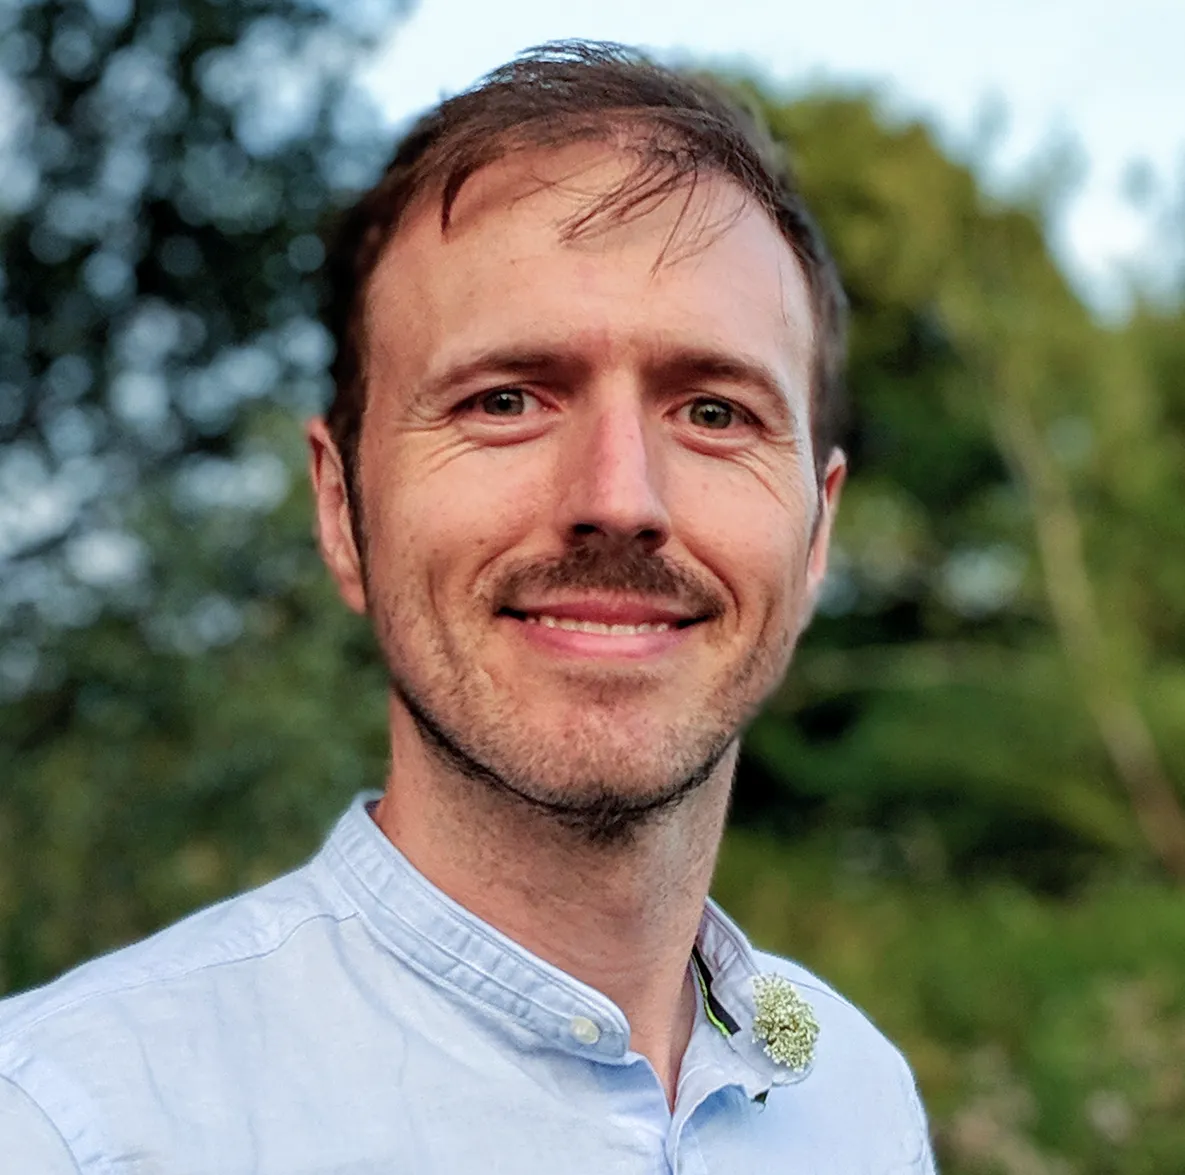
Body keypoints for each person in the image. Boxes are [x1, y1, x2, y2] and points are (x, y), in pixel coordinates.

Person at [0, 41, 937, 1173]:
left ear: (817, 531)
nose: (618, 499)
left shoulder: (853, 1090)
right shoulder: (66, 1125)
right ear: (344, 511)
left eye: (715, 410)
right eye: (506, 399)